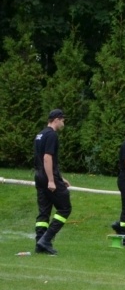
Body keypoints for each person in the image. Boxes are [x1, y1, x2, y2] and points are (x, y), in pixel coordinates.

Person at [33, 109, 71, 255]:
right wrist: (52, 180)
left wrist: (60, 178)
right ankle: (46, 240)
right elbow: (47, 158)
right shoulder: (52, 135)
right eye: (62, 120)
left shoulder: (40, 134)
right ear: (56, 119)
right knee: (65, 208)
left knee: (44, 211)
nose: (63, 122)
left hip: (39, 175)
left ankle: (39, 243)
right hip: (48, 177)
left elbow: (43, 159)